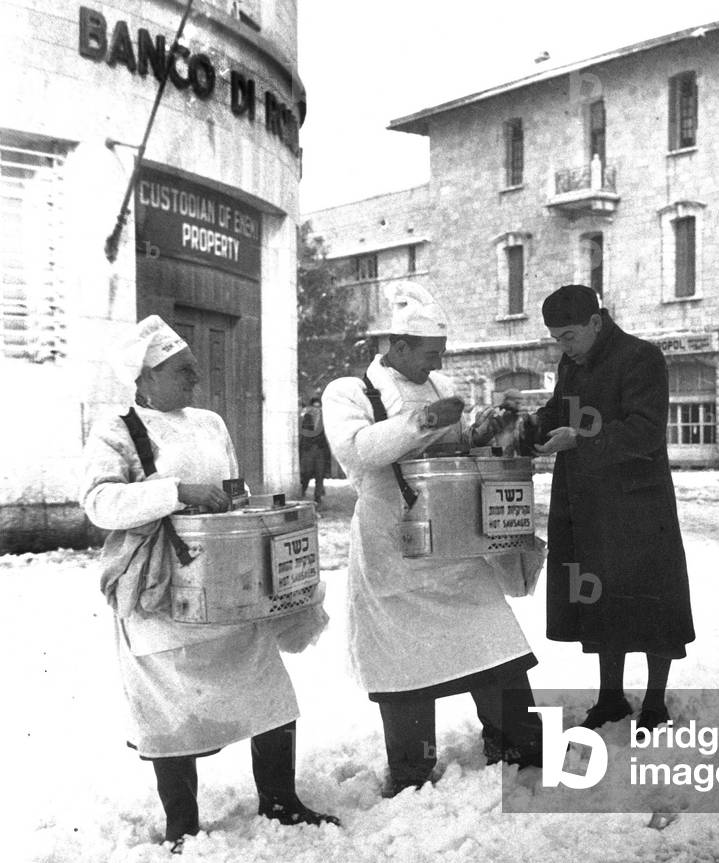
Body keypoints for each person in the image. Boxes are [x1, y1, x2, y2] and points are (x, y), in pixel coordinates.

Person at [80, 316, 337, 853]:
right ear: (145, 379)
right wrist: (179, 492)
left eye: (194, 370)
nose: (195, 381)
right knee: (169, 709)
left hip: (228, 583)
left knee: (268, 690)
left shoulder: (210, 422)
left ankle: (279, 798)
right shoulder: (117, 429)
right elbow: (100, 503)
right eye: (182, 372)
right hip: (159, 588)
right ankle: (182, 823)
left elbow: (233, 488)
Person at [321, 281, 543, 798]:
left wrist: (489, 424)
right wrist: (420, 420)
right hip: (392, 547)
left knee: (493, 638)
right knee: (406, 664)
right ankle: (412, 772)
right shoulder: (350, 392)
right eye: (427, 354)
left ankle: (519, 749)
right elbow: (359, 451)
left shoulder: (440, 385)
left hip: (453, 540)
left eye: (439, 354)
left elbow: (456, 444)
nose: (434, 363)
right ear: (396, 347)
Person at [525, 284, 695, 733]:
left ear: (596, 323)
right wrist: (522, 428)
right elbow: (557, 408)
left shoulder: (642, 358)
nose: (563, 347)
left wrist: (579, 440)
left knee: (654, 602)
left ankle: (655, 701)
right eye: (557, 339)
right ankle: (610, 697)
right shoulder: (573, 361)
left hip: (638, 507)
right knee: (599, 599)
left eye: (569, 337)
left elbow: (645, 431)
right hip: (586, 504)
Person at [299, 395, 331, 503]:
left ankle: (318, 497)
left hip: (320, 450)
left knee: (320, 473)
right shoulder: (307, 417)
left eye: (319, 407)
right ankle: (302, 490)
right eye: (315, 407)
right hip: (309, 450)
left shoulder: (325, 418)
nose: (317, 409)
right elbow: (305, 434)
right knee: (306, 473)